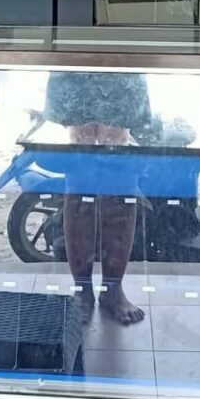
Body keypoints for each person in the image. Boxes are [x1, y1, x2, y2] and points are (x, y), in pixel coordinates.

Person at [44, 70, 150, 325]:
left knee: (117, 151)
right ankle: (83, 288)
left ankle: (113, 289)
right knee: (82, 150)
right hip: (80, 58)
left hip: (119, 59)